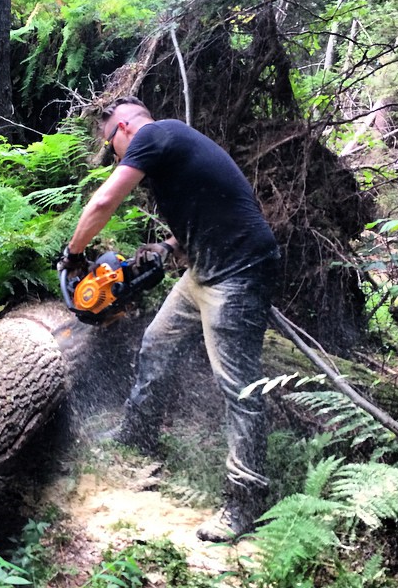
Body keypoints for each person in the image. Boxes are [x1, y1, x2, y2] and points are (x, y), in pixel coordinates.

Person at [57, 96, 280, 542]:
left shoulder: (156, 135)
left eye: (112, 145)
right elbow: (212, 206)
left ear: (123, 127)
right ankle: (137, 433)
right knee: (156, 343)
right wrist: (168, 248)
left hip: (237, 274)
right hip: (203, 267)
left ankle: (244, 501)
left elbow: (103, 203)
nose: (116, 154)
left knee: (239, 387)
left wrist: (74, 253)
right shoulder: (174, 147)